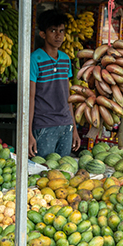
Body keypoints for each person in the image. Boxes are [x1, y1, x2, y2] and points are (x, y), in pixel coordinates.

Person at [28, 10, 81, 158]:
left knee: (62, 174)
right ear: (43, 34)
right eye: (53, 31)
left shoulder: (65, 59)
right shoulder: (35, 59)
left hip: (65, 124)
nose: (58, 35)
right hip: (44, 125)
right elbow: (30, 98)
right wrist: (28, 133)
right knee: (43, 172)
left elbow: (67, 96)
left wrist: (74, 129)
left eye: (61, 31)